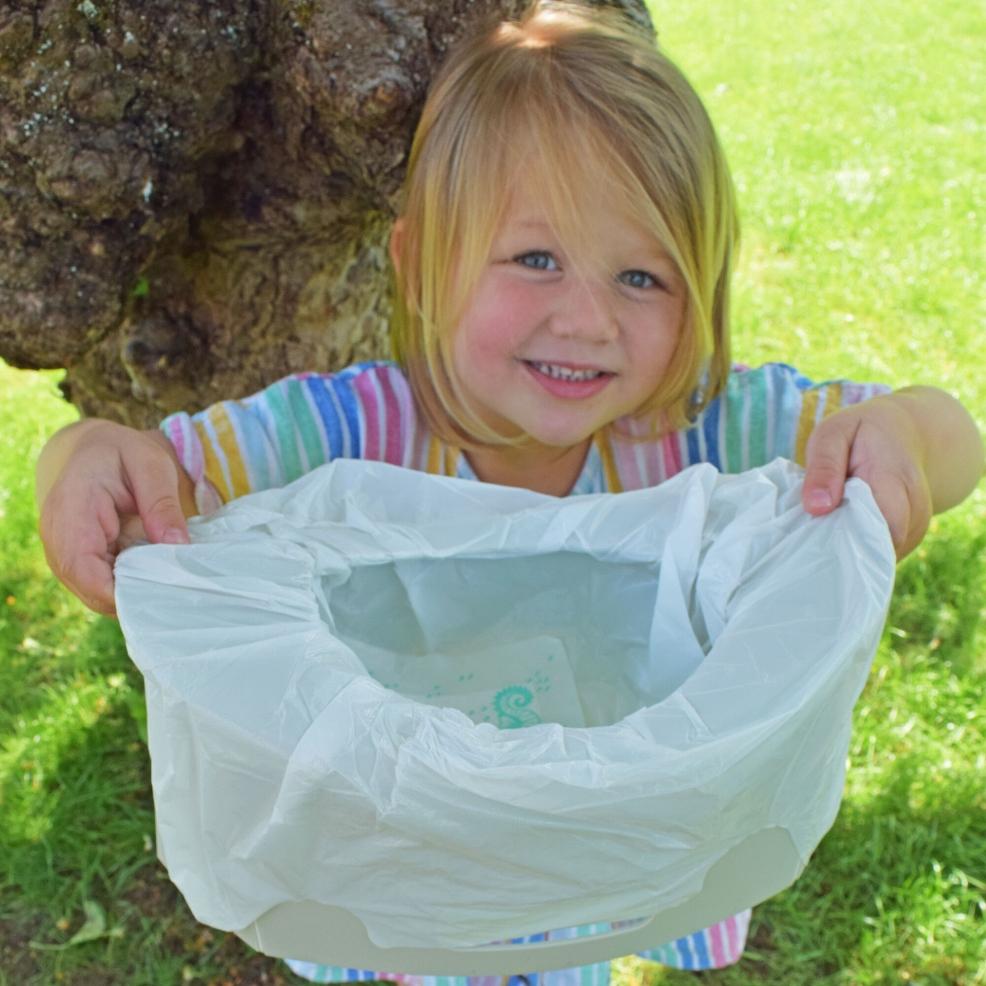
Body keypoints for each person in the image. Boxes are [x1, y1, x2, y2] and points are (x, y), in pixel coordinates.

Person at [35, 1, 983, 983]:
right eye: (535, 259)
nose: (586, 319)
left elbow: (951, 440)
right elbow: (153, 471)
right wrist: (85, 457)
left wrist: (905, 436)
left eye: (641, 276)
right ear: (420, 264)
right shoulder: (342, 436)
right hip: (403, 895)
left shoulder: (703, 431)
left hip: (600, 881)